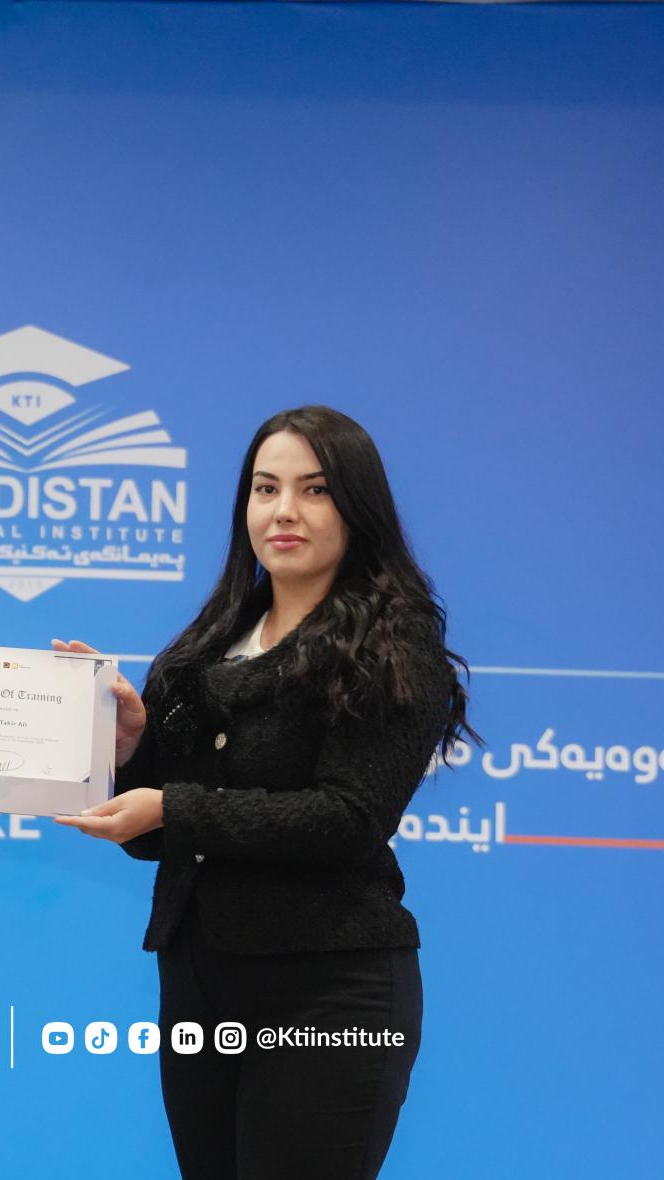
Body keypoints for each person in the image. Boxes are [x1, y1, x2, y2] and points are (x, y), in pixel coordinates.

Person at [55, 405, 473, 1180]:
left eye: (315, 490)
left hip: (329, 993)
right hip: (199, 989)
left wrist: (171, 806)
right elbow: (159, 836)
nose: (283, 511)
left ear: (358, 508)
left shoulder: (393, 646)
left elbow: (348, 818)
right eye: (265, 488)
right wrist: (131, 751)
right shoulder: (206, 646)